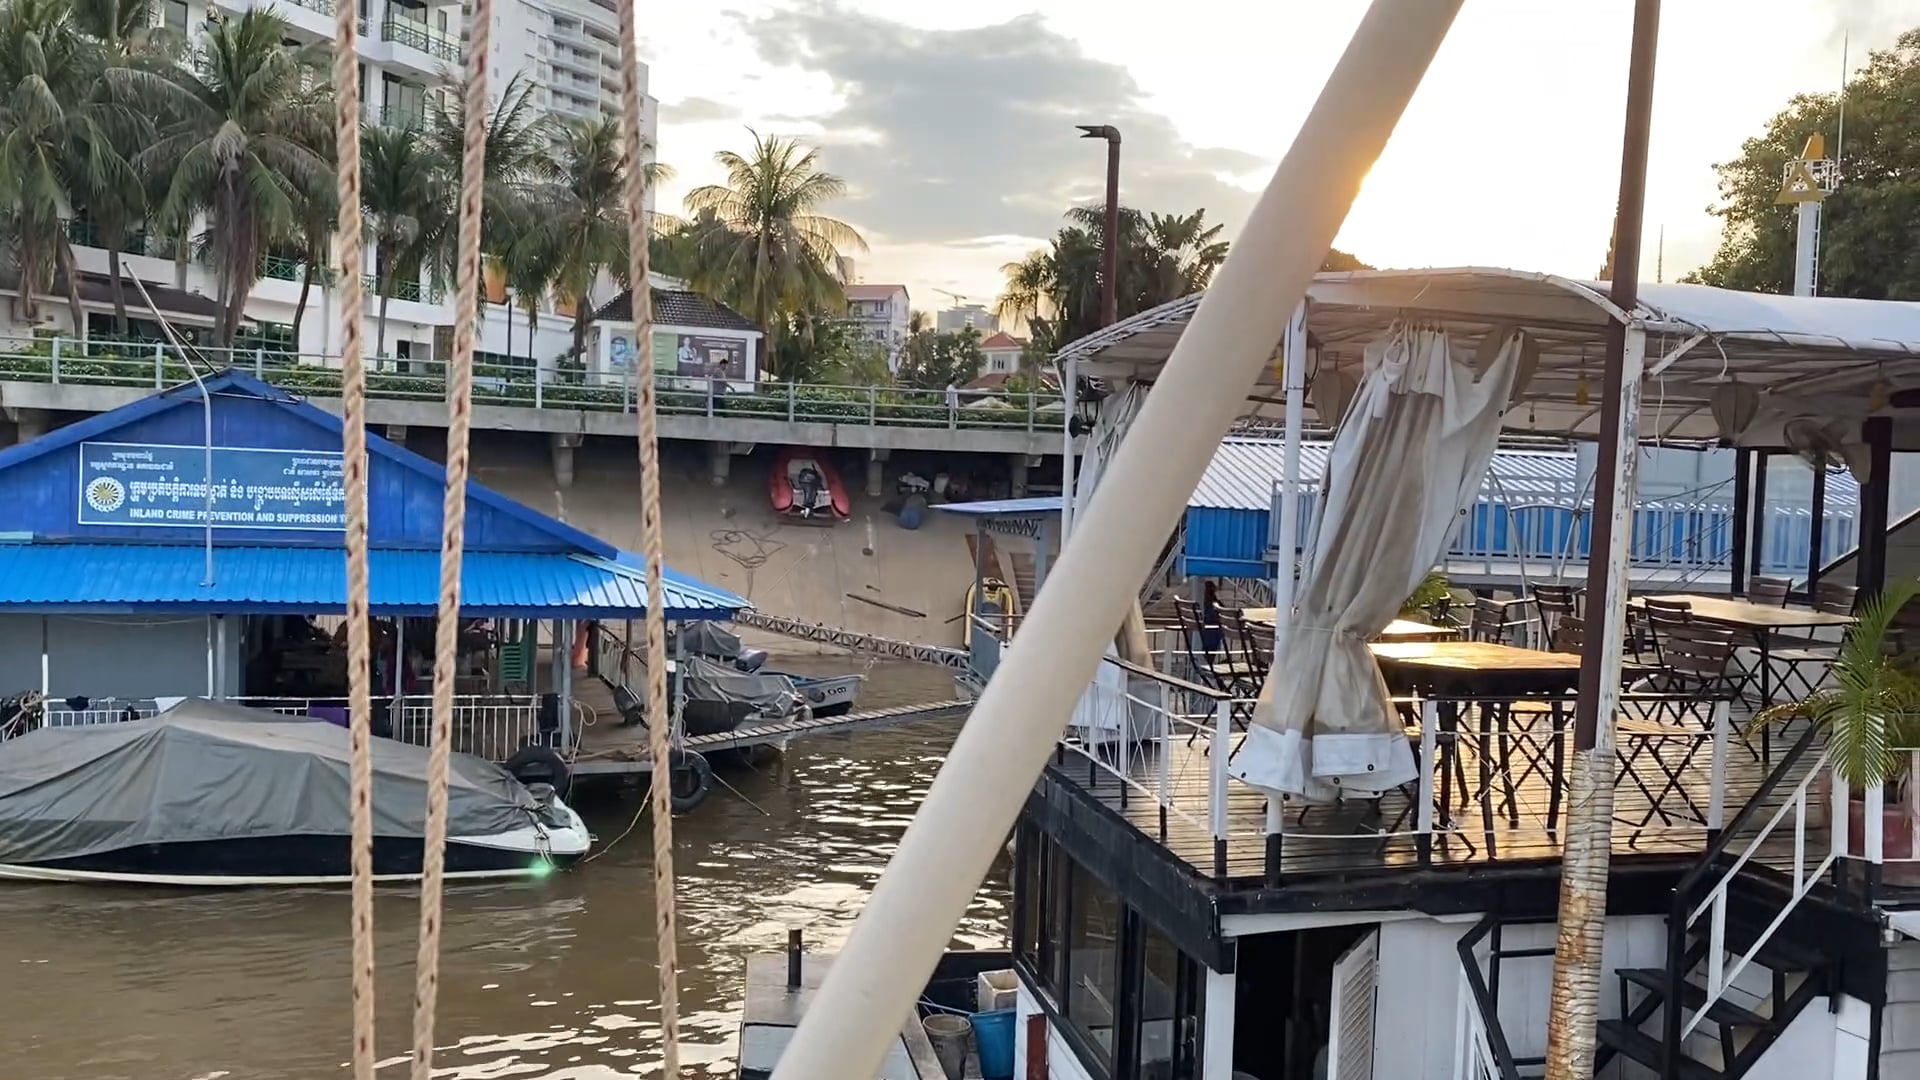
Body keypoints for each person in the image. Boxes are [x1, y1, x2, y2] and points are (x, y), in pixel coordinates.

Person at [1199, 581, 1225, 655]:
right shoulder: (1213, 605)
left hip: (1203, 633)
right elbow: (1223, 610)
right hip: (1212, 633)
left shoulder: (1202, 603)